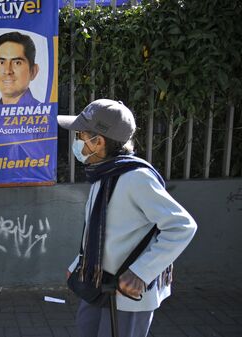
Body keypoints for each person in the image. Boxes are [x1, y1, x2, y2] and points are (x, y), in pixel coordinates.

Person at [58, 99, 197, 337]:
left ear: (98, 141)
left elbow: (182, 226)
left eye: (80, 135)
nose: (76, 141)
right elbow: (99, 232)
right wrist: (78, 265)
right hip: (97, 284)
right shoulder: (105, 173)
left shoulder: (135, 178)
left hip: (126, 295)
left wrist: (142, 272)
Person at [0, 31, 44, 147]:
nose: (7, 71)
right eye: (1, 62)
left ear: (33, 71)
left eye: (17, 62)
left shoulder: (43, 120)